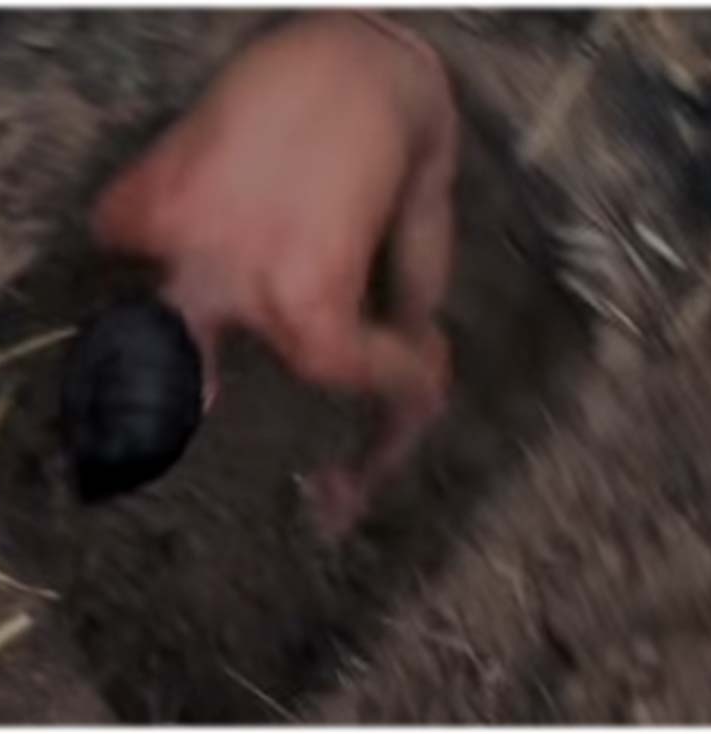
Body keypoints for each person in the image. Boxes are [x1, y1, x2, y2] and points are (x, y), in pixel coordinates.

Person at [77, 10, 458, 541]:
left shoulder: (315, 336)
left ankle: (421, 319)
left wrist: (360, 484)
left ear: (208, 396)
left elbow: (427, 387)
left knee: (419, 259)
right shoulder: (125, 214)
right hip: (316, 24)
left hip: (413, 74)